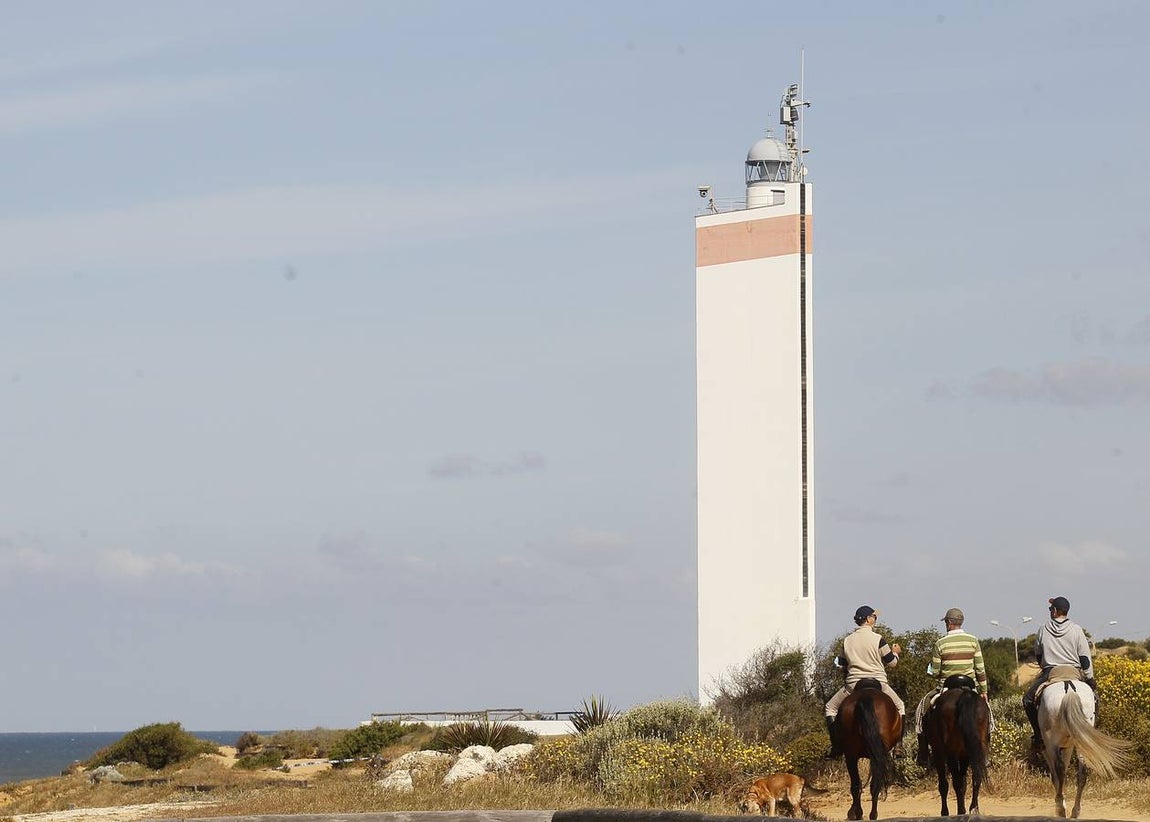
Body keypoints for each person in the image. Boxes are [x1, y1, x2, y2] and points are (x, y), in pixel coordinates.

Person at [824, 605, 906, 756]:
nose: (875, 619)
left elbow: (841, 664)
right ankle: (899, 746)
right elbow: (892, 663)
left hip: (853, 684)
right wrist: (896, 653)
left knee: (830, 708)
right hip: (878, 683)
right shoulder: (879, 639)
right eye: (874, 617)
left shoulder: (847, 641)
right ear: (868, 619)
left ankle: (836, 747)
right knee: (900, 706)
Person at [914, 607, 989, 767]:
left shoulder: (940, 643)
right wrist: (984, 691)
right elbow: (980, 669)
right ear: (960, 622)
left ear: (949, 623)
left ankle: (923, 752)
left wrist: (930, 668)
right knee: (988, 714)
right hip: (970, 687)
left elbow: (934, 672)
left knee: (922, 708)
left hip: (946, 688)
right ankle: (985, 748)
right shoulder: (973, 640)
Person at [1022, 595, 1094, 748]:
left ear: (1054, 611)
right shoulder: (1077, 629)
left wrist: (1044, 665)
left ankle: (1039, 736)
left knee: (1027, 700)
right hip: (1074, 672)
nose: (1050, 611)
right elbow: (1085, 659)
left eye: (1050, 609)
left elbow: (1039, 654)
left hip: (1051, 673)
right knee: (1095, 699)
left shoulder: (1043, 629)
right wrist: (1089, 678)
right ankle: (1092, 731)